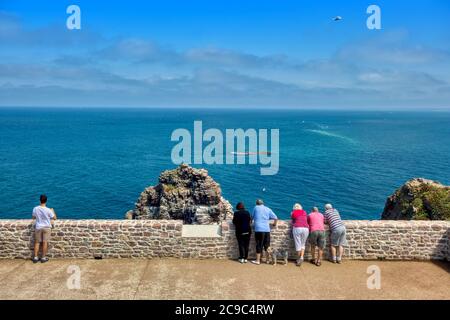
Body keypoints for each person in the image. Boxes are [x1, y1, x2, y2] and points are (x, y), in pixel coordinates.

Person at [250, 199, 278, 265]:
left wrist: (250, 222)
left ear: (257, 203)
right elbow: (276, 217)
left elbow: (251, 217)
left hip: (258, 229)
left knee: (259, 245)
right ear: (263, 203)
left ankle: (258, 260)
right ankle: (267, 260)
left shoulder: (256, 208)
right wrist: (274, 224)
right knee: (267, 246)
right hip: (267, 230)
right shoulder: (268, 209)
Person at [32, 194, 57, 263]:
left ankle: (35, 257)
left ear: (40, 200)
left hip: (38, 227)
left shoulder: (35, 208)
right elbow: (55, 218)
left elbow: (33, 217)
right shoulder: (49, 210)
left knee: (37, 242)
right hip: (46, 227)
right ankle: (43, 258)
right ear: (46, 201)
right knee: (45, 242)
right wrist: (53, 210)